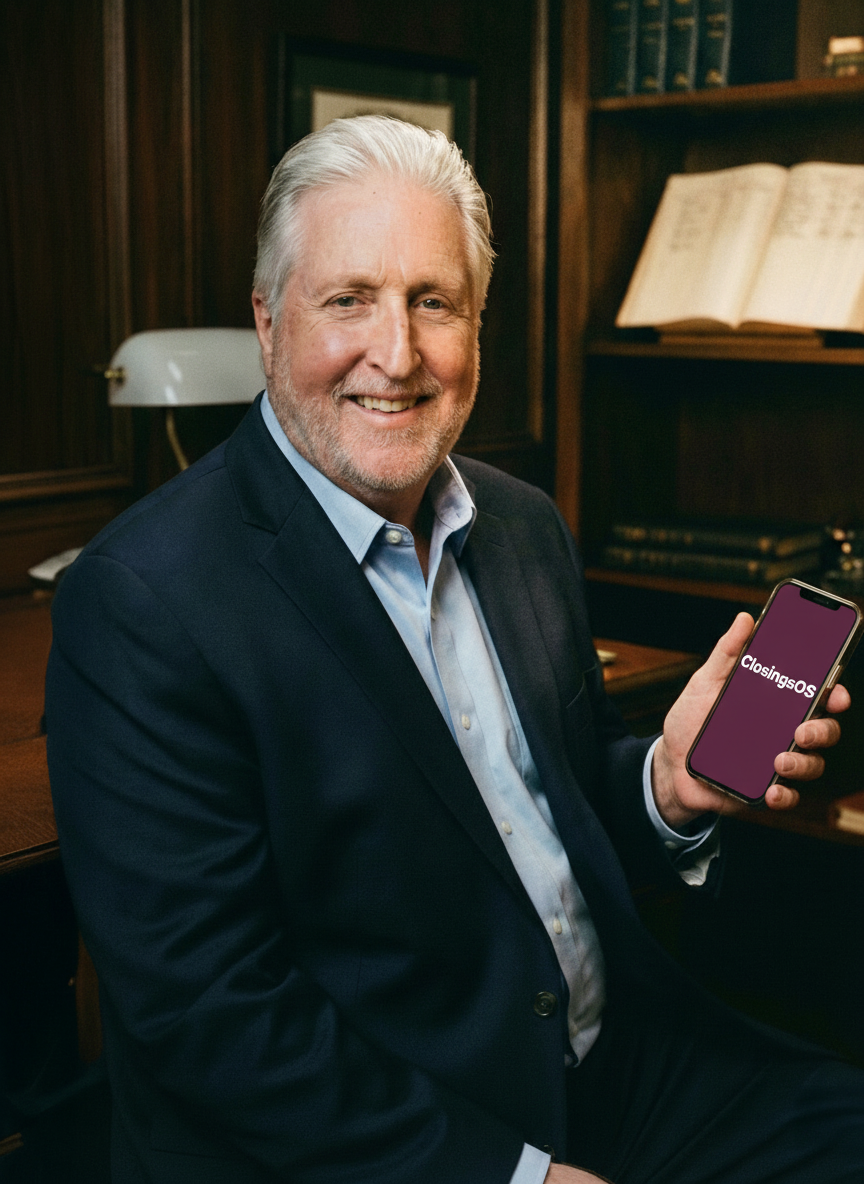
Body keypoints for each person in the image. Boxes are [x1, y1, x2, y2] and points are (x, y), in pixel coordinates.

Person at [46, 116, 864, 1184]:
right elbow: (215, 1018)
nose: (397, 353)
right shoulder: (142, 601)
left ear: (478, 325)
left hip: (612, 1068)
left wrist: (667, 785)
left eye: (434, 301)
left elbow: (548, 812)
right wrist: (514, 1174)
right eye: (348, 300)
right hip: (393, 1137)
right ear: (266, 317)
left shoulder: (522, 526)